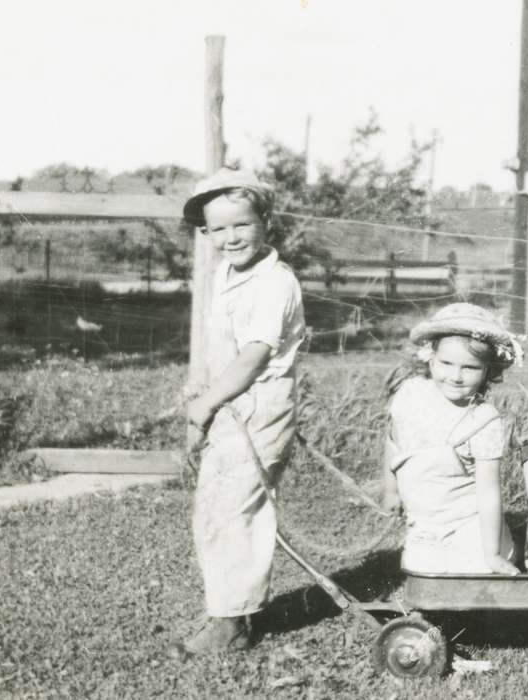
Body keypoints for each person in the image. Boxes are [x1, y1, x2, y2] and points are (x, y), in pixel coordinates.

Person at [181, 168, 306, 654]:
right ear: (206, 233)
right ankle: (234, 608)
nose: (231, 238)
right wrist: (206, 398)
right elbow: (221, 350)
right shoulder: (227, 274)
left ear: (265, 223)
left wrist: (206, 405)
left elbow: (254, 355)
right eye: (219, 229)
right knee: (219, 507)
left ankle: (230, 625)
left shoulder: (274, 282)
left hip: (258, 407)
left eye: (242, 225)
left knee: (232, 510)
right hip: (231, 403)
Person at [382, 303, 522, 576]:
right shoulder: (410, 396)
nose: (455, 377)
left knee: (473, 573)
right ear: (430, 357)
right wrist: (390, 489)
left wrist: (491, 554)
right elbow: (392, 443)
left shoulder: (482, 420)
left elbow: (488, 492)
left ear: (487, 371)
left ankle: (507, 548)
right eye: (447, 363)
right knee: (423, 573)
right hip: (424, 524)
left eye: (470, 368)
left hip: (469, 523)